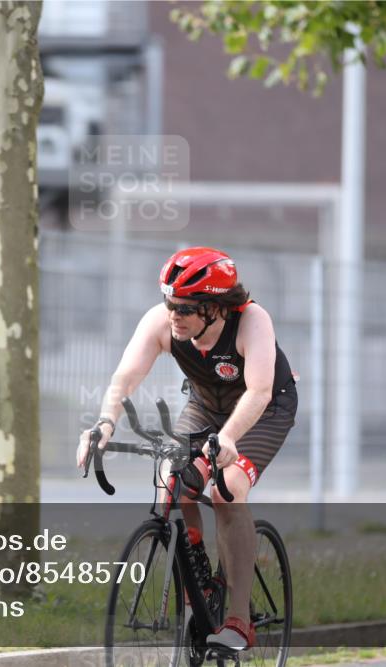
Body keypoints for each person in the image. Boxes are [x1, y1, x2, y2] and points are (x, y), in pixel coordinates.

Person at [76, 246, 297, 652]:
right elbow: (125, 378)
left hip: (264, 410)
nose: (173, 315)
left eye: (185, 308)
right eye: (169, 304)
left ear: (214, 308)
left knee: (228, 489)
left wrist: (228, 438)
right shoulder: (162, 323)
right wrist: (105, 422)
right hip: (205, 405)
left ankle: (239, 620)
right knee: (171, 479)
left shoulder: (252, 322)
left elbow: (259, 392)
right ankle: (197, 578)